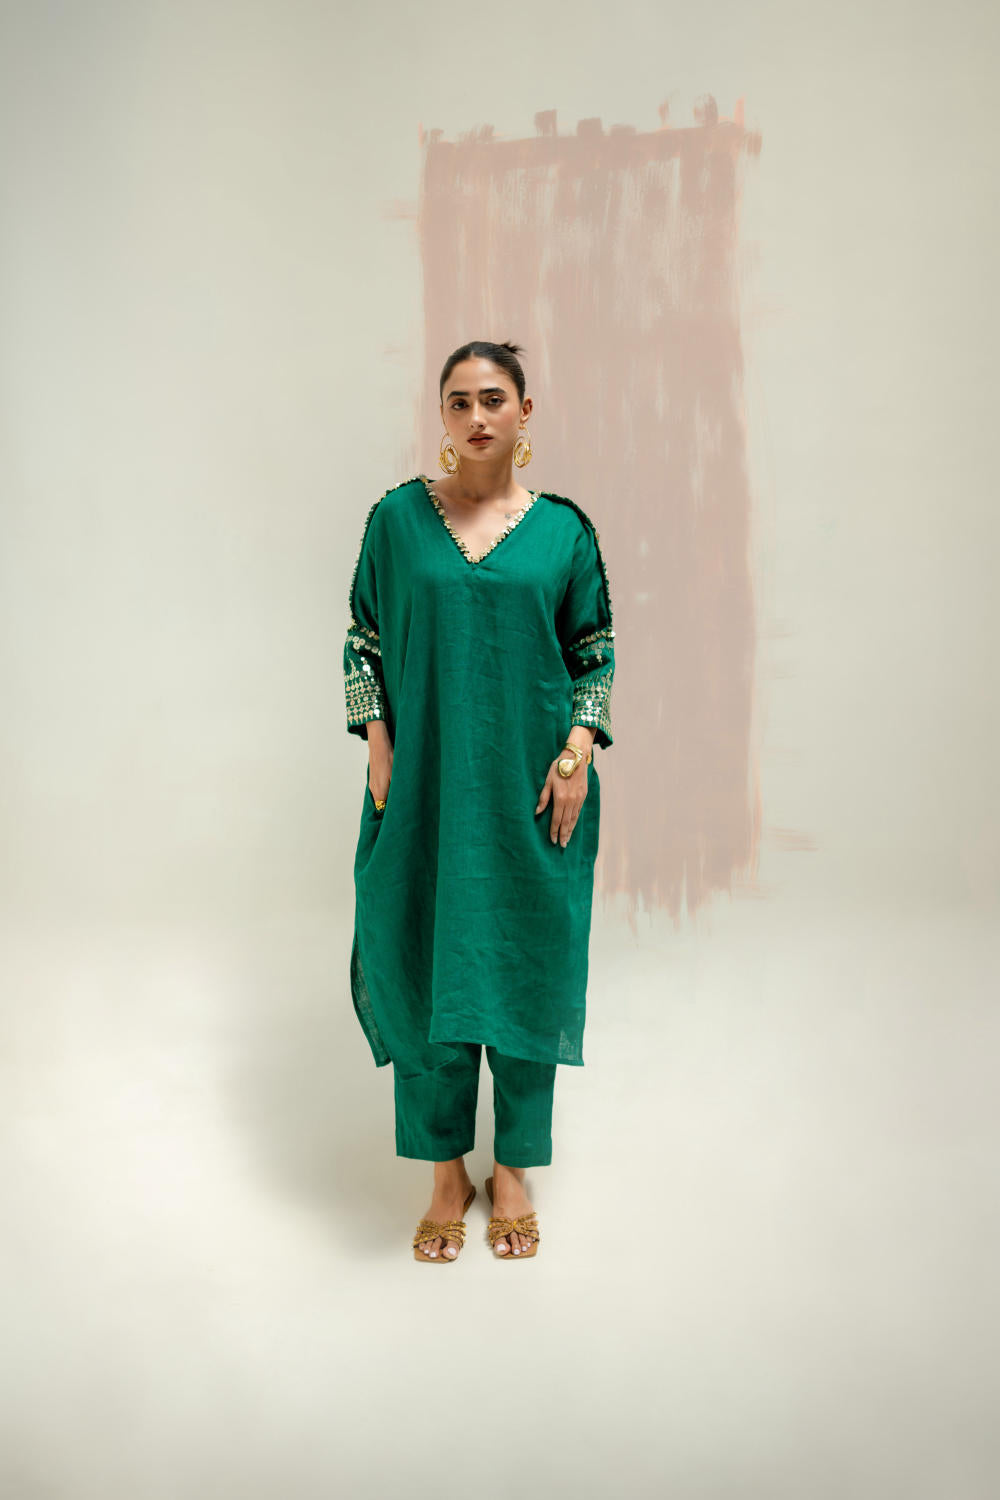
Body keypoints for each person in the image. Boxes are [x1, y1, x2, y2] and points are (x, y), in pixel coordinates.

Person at [343, 339, 616, 1263]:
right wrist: (378, 741)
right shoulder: (397, 521)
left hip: (530, 793)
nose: (476, 416)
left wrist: (576, 752)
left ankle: (514, 1172)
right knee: (420, 964)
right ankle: (444, 1174)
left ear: (524, 412)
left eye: (493, 398)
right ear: (443, 415)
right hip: (421, 791)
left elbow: (593, 654)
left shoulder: (564, 533)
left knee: (524, 968)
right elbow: (362, 638)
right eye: (458, 401)